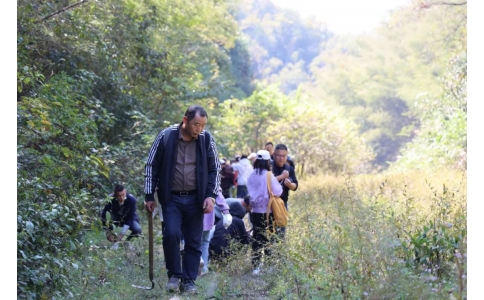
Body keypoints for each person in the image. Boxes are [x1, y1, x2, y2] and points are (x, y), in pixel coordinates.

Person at [143, 105, 221, 294]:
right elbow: (151, 165)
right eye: (196, 124)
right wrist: (148, 195)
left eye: (203, 125)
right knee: (171, 234)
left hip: (197, 198)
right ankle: (174, 276)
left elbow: (215, 169)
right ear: (185, 120)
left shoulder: (206, 139)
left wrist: (211, 196)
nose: (199, 129)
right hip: (171, 198)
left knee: (194, 241)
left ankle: (189, 281)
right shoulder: (166, 136)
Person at [247, 150, 283, 275]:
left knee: (257, 237)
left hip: (255, 212)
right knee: (269, 237)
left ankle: (256, 267)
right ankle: (269, 265)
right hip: (268, 212)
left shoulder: (251, 175)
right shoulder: (268, 175)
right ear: (268, 161)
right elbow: (278, 191)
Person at [200, 190, 232, 276]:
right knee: (205, 242)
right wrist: (225, 210)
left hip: (194, 212)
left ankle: (199, 261)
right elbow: (218, 193)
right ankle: (204, 267)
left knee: (194, 240)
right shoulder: (212, 179)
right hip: (208, 214)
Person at [271, 144, 298, 238]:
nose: (281, 158)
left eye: (283, 156)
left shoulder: (289, 168)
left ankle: (279, 251)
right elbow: (264, 183)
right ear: (274, 155)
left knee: (281, 231)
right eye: (279, 155)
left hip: (282, 203)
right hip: (268, 203)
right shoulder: (269, 166)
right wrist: (281, 177)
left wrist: (290, 185)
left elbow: (295, 186)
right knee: (268, 231)